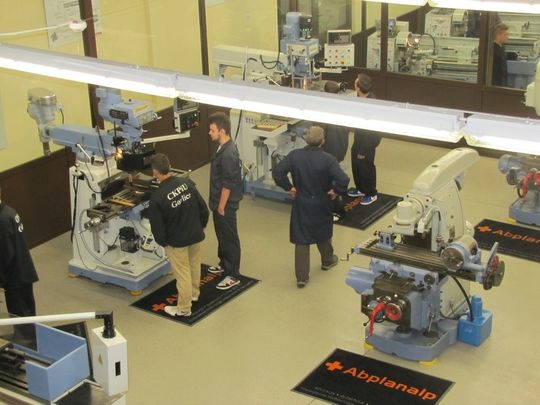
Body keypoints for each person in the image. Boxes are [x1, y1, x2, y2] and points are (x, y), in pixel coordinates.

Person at [273, 126, 349, 288]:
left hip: (302, 202)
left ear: (307, 140)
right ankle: (327, 260)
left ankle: (302, 277)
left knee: (301, 237)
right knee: (323, 231)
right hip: (322, 202)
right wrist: (336, 191)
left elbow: (278, 172)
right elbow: (343, 179)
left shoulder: (295, 156)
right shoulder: (328, 159)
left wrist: (289, 187)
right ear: (323, 141)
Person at [147, 154, 209, 317]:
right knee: (194, 265)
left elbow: (157, 228)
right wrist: (202, 226)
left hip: (177, 242)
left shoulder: (157, 198)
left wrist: (164, 243)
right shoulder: (187, 183)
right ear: (169, 166)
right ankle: (194, 294)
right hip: (195, 235)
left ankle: (184, 309)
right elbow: (203, 208)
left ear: (155, 172)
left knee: (182, 274)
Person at [207, 112, 243, 290]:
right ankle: (223, 263)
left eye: (212, 130)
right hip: (217, 201)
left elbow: (228, 184)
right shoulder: (221, 147)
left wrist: (221, 206)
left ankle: (233, 274)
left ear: (222, 131)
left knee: (229, 238)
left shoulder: (229, 154)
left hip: (225, 204)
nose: (209, 133)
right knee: (221, 235)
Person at [0, 185, 39, 318]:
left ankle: (27, 332)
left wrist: (1, 281)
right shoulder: (9, 211)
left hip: (15, 277)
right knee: (27, 312)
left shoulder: (2, 220)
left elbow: (6, 253)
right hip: (23, 270)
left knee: (21, 317)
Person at [347, 73, 382, 205]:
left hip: (368, 142)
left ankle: (371, 193)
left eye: (355, 82)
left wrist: (364, 149)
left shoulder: (371, 105)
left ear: (358, 87)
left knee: (366, 166)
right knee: (356, 164)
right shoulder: (360, 99)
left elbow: (373, 132)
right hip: (359, 138)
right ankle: (361, 188)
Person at [320, 80, 351, 221]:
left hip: (329, 151)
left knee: (329, 181)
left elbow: (320, 132)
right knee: (334, 176)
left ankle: (336, 209)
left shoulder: (324, 111)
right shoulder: (343, 107)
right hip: (341, 148)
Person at [492, 23, 509, 87]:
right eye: (505, 34)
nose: (507, 37)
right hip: (495, 85)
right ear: (498, 35)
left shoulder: (502, 47)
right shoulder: (492, 50)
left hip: (502, 83)